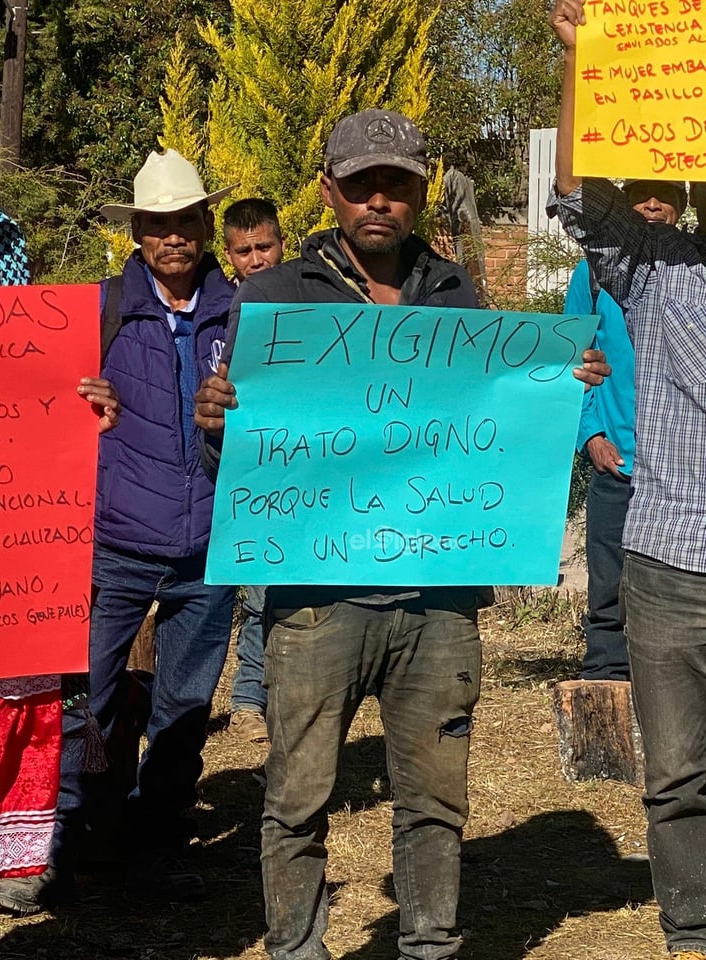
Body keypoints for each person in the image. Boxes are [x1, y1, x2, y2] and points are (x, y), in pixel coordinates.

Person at [195, 107, 610, 960]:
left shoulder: (456, 291)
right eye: (361, 186)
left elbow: (489, 416)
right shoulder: (276, 297)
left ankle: (429, 947)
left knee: (436, 802)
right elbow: (239, 451)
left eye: (398, 186)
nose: (378, 201)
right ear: (329, 191)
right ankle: (297, 950)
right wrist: (215, 422)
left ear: (421, 194)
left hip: (439, 600)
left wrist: (555, 385)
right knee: (297, 799)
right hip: (314, 602)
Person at [0, 149, 237, 915]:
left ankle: (158, 845)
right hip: (115, 544)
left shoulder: (248, 317)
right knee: (86, 704)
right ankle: (68, 843)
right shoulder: (90, 313)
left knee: (184, 709)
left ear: (204, 225)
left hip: (211, 547)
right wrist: (80, 399)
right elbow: (32, 409)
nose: (172, 239)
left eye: (184, 222)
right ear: (137, 233)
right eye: (157, 226)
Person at [549, 4, 706, 958]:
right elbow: (576, 198)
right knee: (679, 772)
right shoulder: (661, 270)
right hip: (668, 561)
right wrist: (583, 65)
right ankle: (690, 927)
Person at [0, 194, 119, 917]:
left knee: (15, 725)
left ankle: (20, 863)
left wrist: (91, 416)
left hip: (13, 584)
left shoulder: (26, 341)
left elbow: (50, 455)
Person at [569, 178, 687, 682]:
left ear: (684, 207)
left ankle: (675, 679)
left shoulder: (693, 270)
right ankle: (607, 680)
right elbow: (570, 361)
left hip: (682, 476)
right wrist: (591, 435)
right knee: (608, 587)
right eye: (641, 194)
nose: (654, 204)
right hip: (618, 465)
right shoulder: (592, 273)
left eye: (666, 195)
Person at [221, 198, 286, 742]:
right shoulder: (231, 306)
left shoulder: (303, 298)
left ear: (280, 243)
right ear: (230, 254)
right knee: (260, 590)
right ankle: (248, 697)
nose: (256, 259)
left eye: (264, 246)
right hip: (254, 468)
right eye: (244, 251)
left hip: (306, 465)